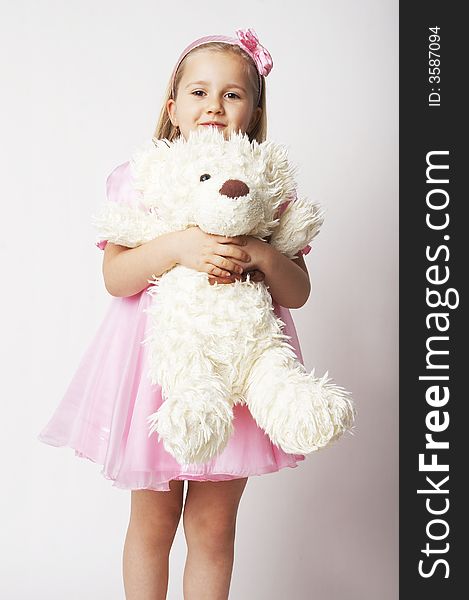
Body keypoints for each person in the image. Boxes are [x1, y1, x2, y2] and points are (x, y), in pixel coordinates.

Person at [38, 28, 313, 600]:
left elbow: (298, 291)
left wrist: (261, 255)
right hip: (158, 374)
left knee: (214, 526)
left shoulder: (267, 191)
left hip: (237, 373)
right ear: (173, 107)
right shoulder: (142, 178)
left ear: (254, 111)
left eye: (232, 94)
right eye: (199, 92)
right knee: (154, 522)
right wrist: (178, 246)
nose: (214, 105)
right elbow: (116, 276)